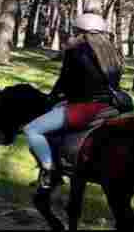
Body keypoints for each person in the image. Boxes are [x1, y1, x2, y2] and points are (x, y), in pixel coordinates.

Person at [23, 12, 124, 193]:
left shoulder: (76, 51)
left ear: (80, 32)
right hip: (109, 106)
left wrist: (52, 99)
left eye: (75, 31)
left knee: (32, 130)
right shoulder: (112, 54)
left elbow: (64, 82)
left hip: (84, 108)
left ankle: (48, 172)